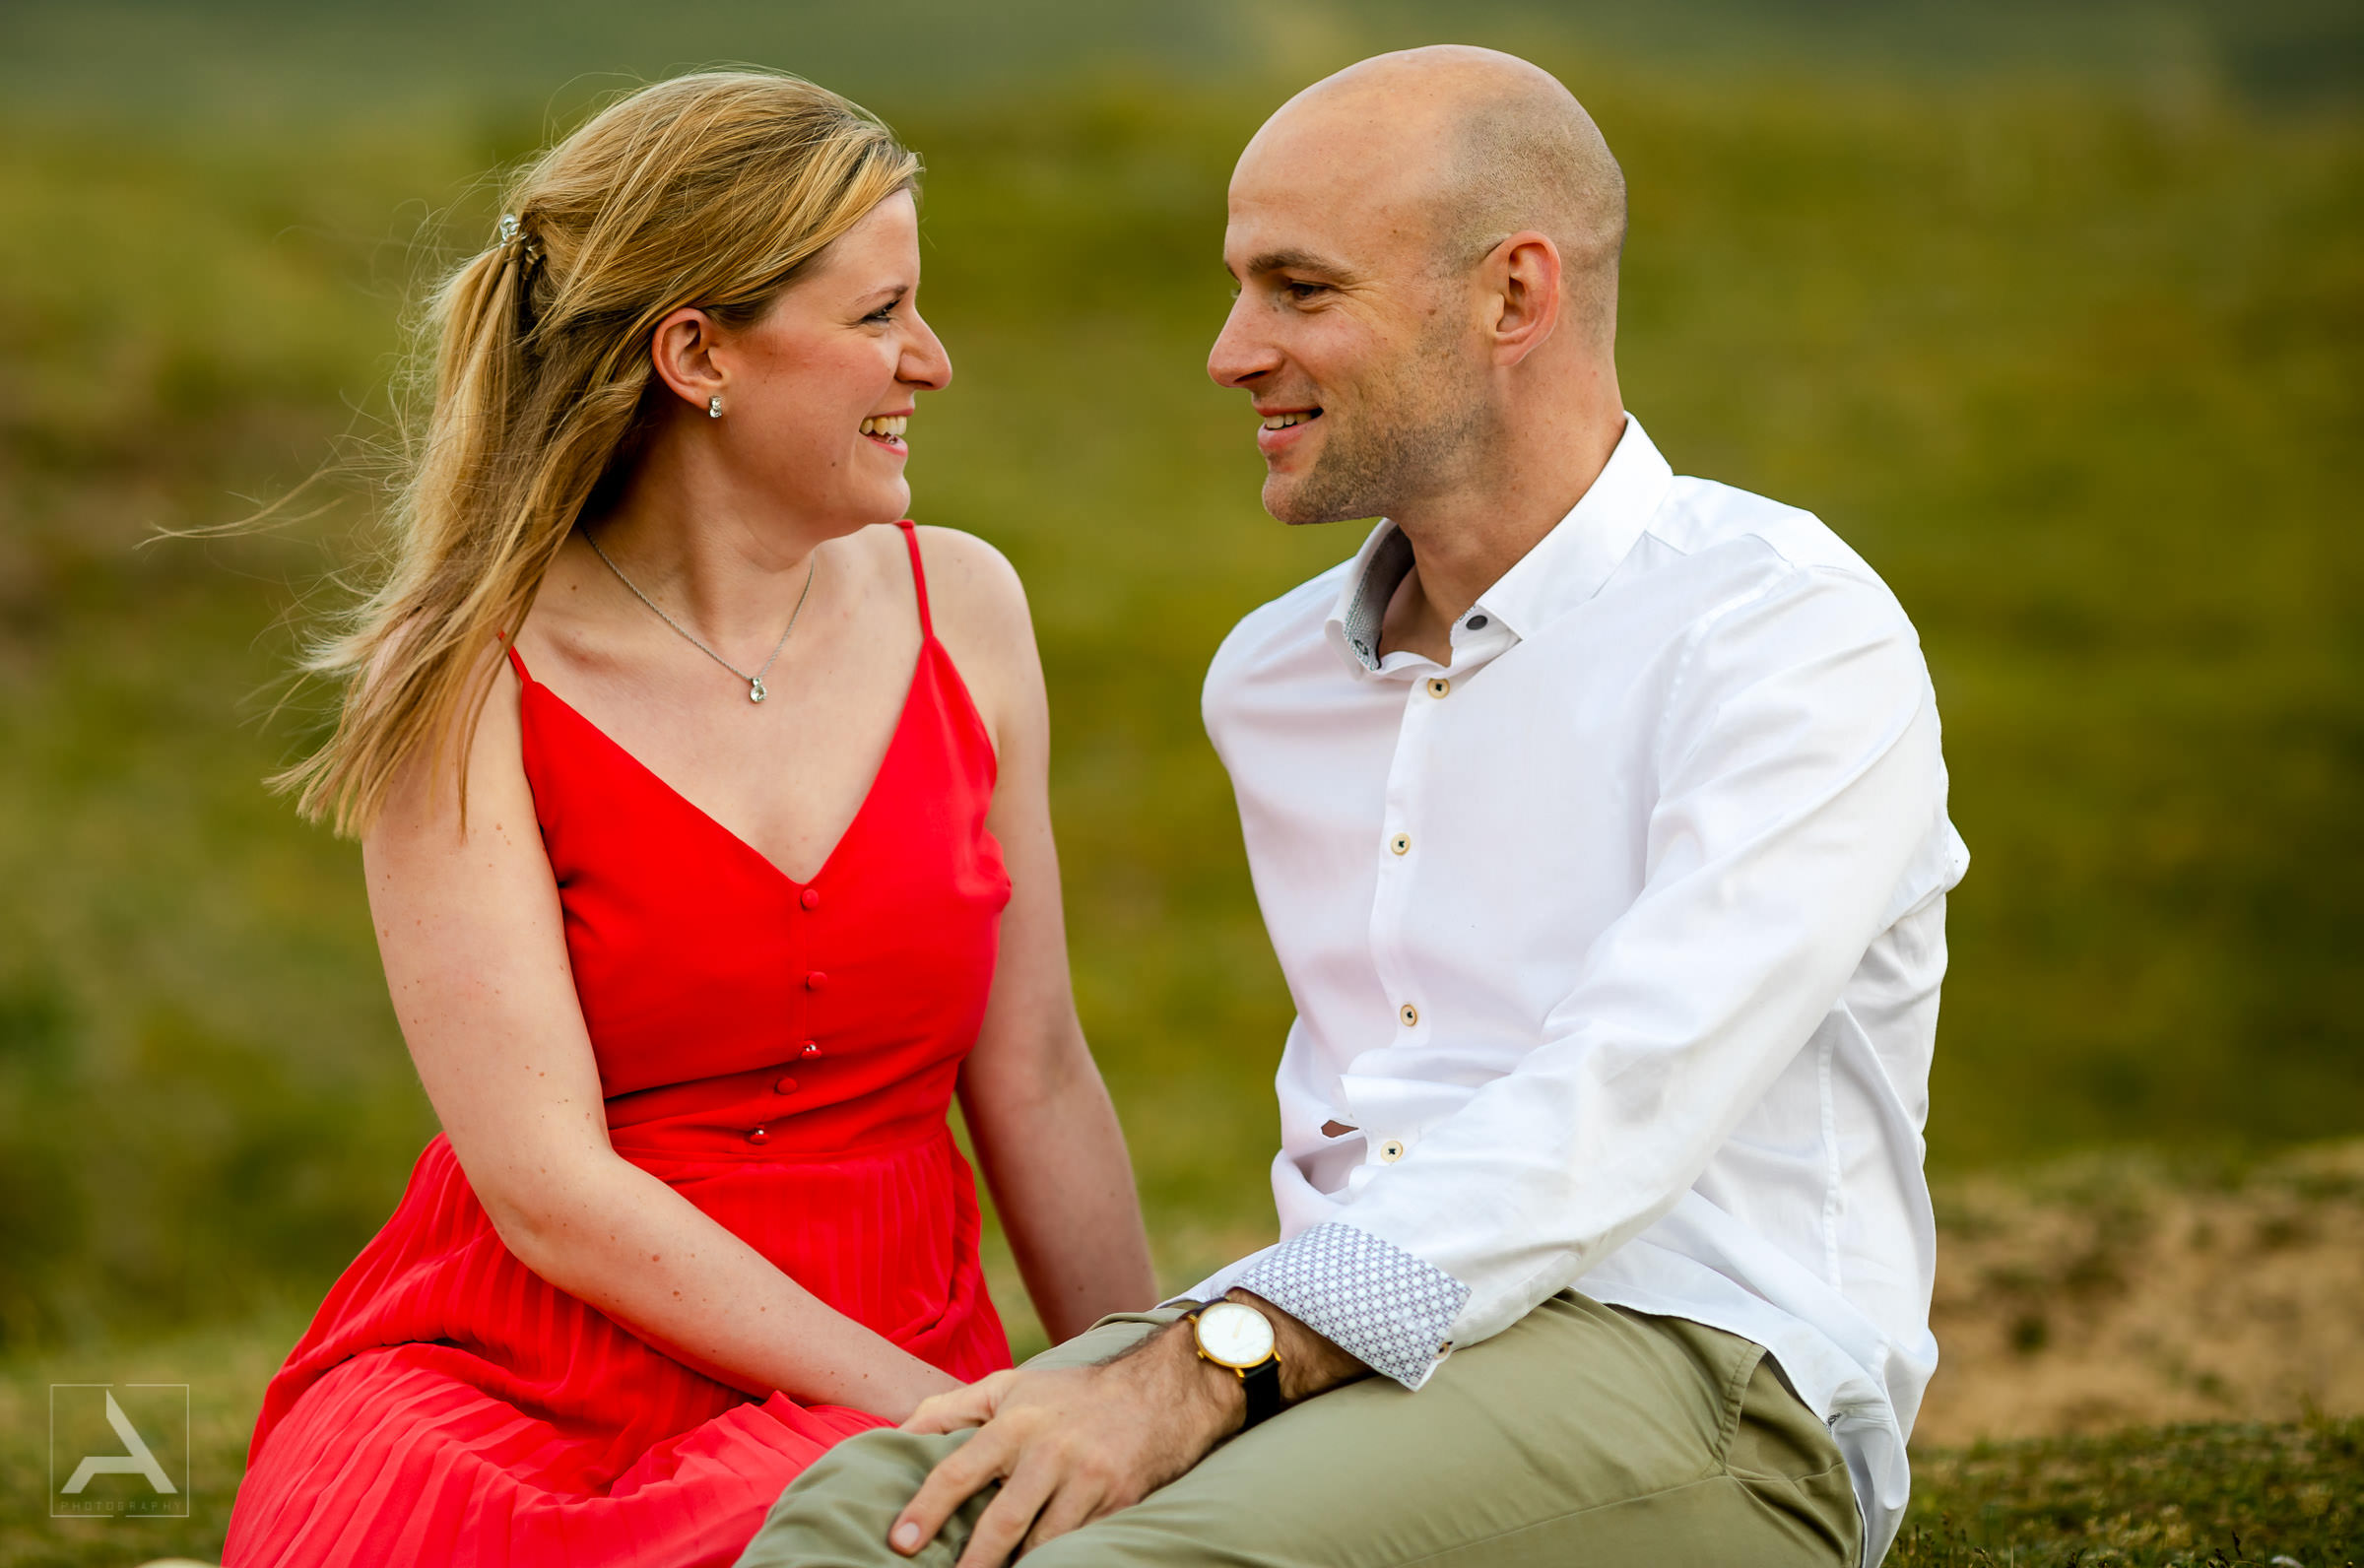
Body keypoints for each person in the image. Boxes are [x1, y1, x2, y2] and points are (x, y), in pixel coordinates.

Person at [735, 44, 1966, 1568]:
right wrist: (1200, 1348)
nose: (1231, 348)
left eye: (1299, 291)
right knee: (853, 1523)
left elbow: (1620, 1102)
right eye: (1242, 288)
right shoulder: (1276, 682)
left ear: (1515, 298)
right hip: (1337, 1346)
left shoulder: (1783, 633)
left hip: (1700, 1370)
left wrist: (1206, 1369)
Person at [222, 71, 1155, 1568]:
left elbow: (1036, 1071)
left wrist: (1137, 1397)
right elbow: (550, 1193)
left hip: (880, 1344)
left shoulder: (966, 609)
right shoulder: (471, 675)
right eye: (878, 315)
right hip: (521, 1379)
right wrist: (944, 1407)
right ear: (696, 353)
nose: (934, 361)